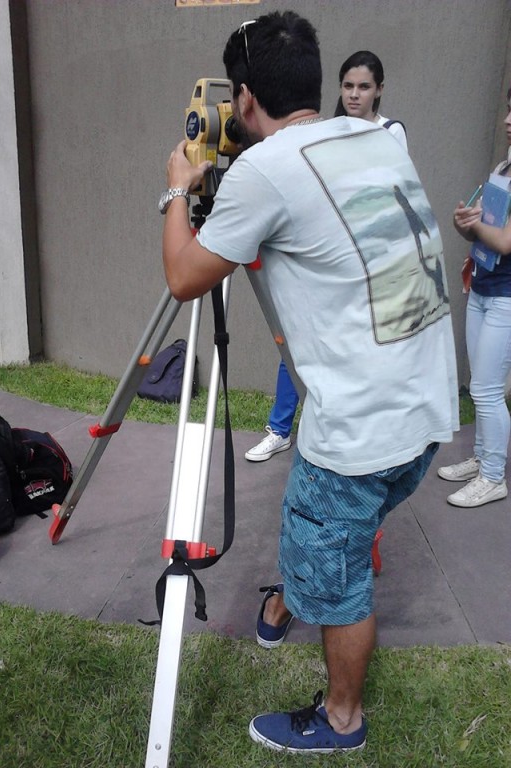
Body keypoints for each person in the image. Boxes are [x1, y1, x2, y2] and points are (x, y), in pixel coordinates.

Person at [160, 10, 458, 755]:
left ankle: (342, 720)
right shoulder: (376, 137)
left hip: (359, 434)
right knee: (333, 537)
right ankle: (299, 585)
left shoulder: (266, 171)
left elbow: (184, 276)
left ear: (246, 97)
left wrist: (176, 190)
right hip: (424, 411)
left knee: (341, 573)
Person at [245, 49, 407, 464]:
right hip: (325, 254)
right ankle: (280, 429)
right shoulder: (329, 129)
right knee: (296, 339)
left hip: (368, 261)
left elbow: (388, 197)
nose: (354, 94)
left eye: (364, 86)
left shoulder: (390, 132)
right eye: (348, 86)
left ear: (379, 90)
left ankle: (356, 441)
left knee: (355, 353)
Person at [437, 94, 511, 507]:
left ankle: (494, 476)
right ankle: (483, 459)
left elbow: (503, 238)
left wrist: (478, 225)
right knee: (481, 386)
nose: (507, 119)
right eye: (508, 108)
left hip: (506, 297)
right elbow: (485, 231)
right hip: (484, 286)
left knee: (485, 390)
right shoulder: (502, 168)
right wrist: (465, 223)